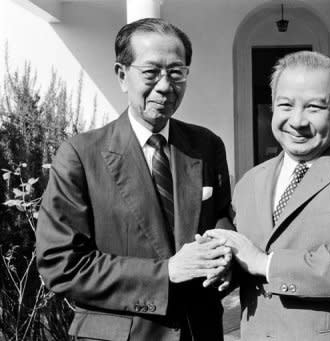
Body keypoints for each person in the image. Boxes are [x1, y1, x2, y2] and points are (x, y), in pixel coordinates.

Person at [36, 18, 232, 341]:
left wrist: (225, 253)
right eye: (152, 72)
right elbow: (61, 263)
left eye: (177, 72)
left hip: (201, 330)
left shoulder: (206, 145)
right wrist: (165, 273)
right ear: (122, 75)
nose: (166, 85)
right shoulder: (81, 155)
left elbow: (221, 216)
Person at [207, 51, 330, 341]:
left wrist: (265, 263)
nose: (297, 121)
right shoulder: (250, 181)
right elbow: (246, 260)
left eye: (314, 107)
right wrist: (223, 265)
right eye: (285, 105)